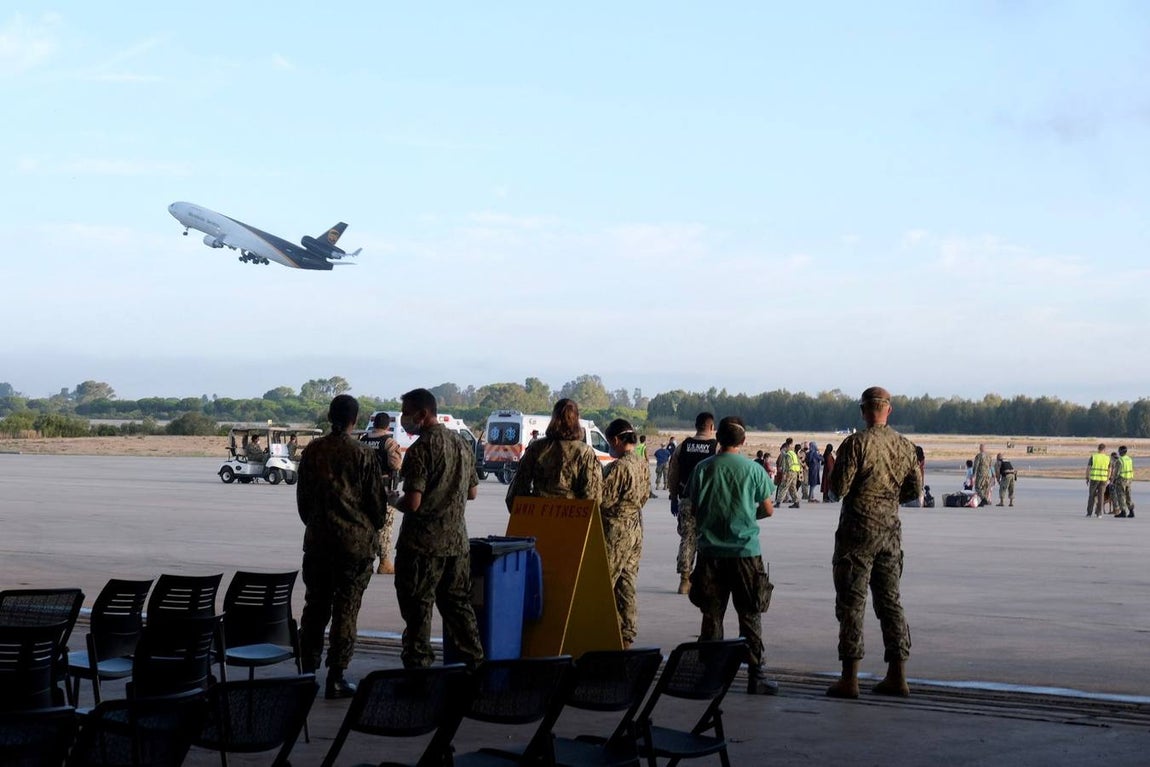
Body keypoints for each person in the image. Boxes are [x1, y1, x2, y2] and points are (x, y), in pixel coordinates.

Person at [826, 386, 922, 700]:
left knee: (852, 604)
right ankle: (898, 674)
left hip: (857, 532)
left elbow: (838, 488)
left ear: (863, 410)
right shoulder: (906, 446)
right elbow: (913, 491)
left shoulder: (856, 444)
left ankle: (850, 678)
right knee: (891, 602)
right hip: (890, 534)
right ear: (888, 410)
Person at [296, 394, 387, 699]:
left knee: (315, 608)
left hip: (319, 543)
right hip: (354, 547)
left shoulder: (312, 451)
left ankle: (306, 671)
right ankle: (336, 675)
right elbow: (377, 507)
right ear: (355, 419)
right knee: (346, 610)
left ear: (329, 416)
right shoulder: (363, 454)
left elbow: (303, 504)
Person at [393, 388, 484, 669]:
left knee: (419, 611)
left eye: (407, 413)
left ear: (423, 413)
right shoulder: (461, 444)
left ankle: (419, 674)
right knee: (458, 607)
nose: (404, 419)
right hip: (457, 545)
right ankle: (476, 666)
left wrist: (394, 501)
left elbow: (413, 502)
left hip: (422, 547)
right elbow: (472, 493)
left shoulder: (421, 449)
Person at [687, 416, 778, 695]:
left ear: (719, 439)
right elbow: (768, 508)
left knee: (712, 615)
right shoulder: (753, 470)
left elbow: (694, 508)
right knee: (749, 614)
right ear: (743, 441)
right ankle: (755, 674)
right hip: (745, 554)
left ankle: (711, 675)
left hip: (710, 553)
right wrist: (749, 515)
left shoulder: (703, 469)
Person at [599, 418, 650, 648]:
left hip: (616, 530)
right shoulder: (641, 462)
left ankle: (604, 633)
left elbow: (603, 499)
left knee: (605, 583)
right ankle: (627, 635)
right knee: (627, 583)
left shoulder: (619, 467)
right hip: (636, 527)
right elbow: (645, 495)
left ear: (617, 440)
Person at [505, 398, 603, 510]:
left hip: (538, 517)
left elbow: (515, 493)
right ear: (577, 419)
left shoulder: (536, 448)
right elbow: (593, 497)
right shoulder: (585, 453)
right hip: (572, 520)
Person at [667, 412, 719, 595]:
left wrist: (673, 498)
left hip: (687, 499)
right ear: (712, 427)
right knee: (710, 540)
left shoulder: (683, 446)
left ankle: (684, 580)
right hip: (710, 502)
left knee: (687, 539)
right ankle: (706, 580)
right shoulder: (716, 447)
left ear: (696, 426)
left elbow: (673, 473)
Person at [360, 412, 403, 574]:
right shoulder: (389, 442)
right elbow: (396, 465)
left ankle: (366, 559)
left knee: (366, 524)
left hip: (363, 490)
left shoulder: (363, 440)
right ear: (387, 426)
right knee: (385, 525)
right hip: (383, 488)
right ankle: (384, 562)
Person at [1086, 443, 1110, 518]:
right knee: (1101, 496)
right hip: (1103, 480)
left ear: (1098, 449)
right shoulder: (1107, 458)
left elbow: (1088, 468)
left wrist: (1087, 477)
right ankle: (1099, 513)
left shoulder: (1093, 457)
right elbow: (1110, 470)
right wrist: (1107, 479)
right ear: (1104, 449)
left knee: (1091, 496)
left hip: (1094, 479)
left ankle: (1089, 513)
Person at [778, 438, 802, 508]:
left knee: (783, 487)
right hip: (795, 472)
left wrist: (784, 474)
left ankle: (778, 502)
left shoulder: (787, 454)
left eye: (782, 450)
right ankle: (796, 502)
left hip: (789, 472)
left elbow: (787, 464)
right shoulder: (793, 453)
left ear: (784, 448)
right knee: (792, 488)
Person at [1115, 446, 1135, 518]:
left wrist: (1114, 479)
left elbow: (1117, 472)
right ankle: (1131, 511)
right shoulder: (1129, 459)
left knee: (1121, 496)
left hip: (1121, 480)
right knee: (1128, 496)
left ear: (1121, 452)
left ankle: (1123, 512)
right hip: (1129, 479)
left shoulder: (1120, 460)